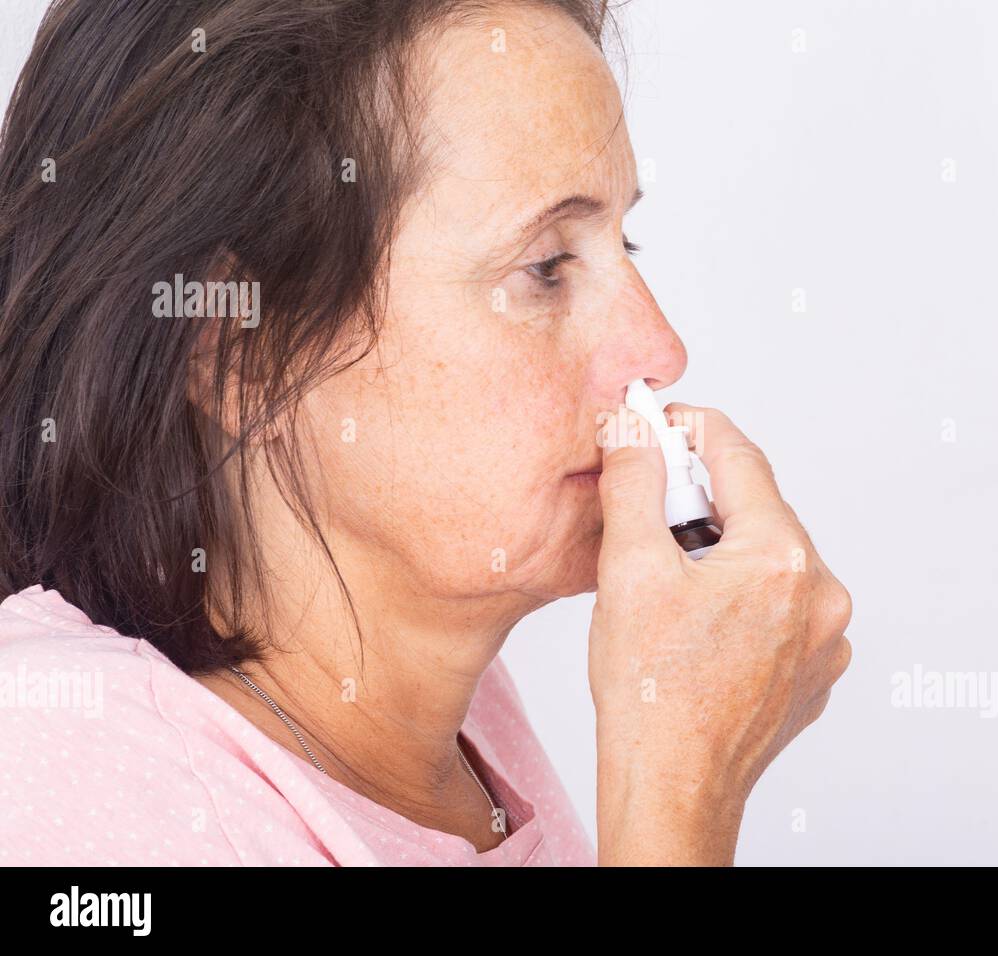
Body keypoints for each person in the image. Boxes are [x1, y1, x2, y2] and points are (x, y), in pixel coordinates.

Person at [0, 0, 852, 866]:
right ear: (241, 357)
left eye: (622, 242)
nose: (658, 352)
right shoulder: (59, 772)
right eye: (545, 268)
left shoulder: (464, 714)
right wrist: (678, 792)